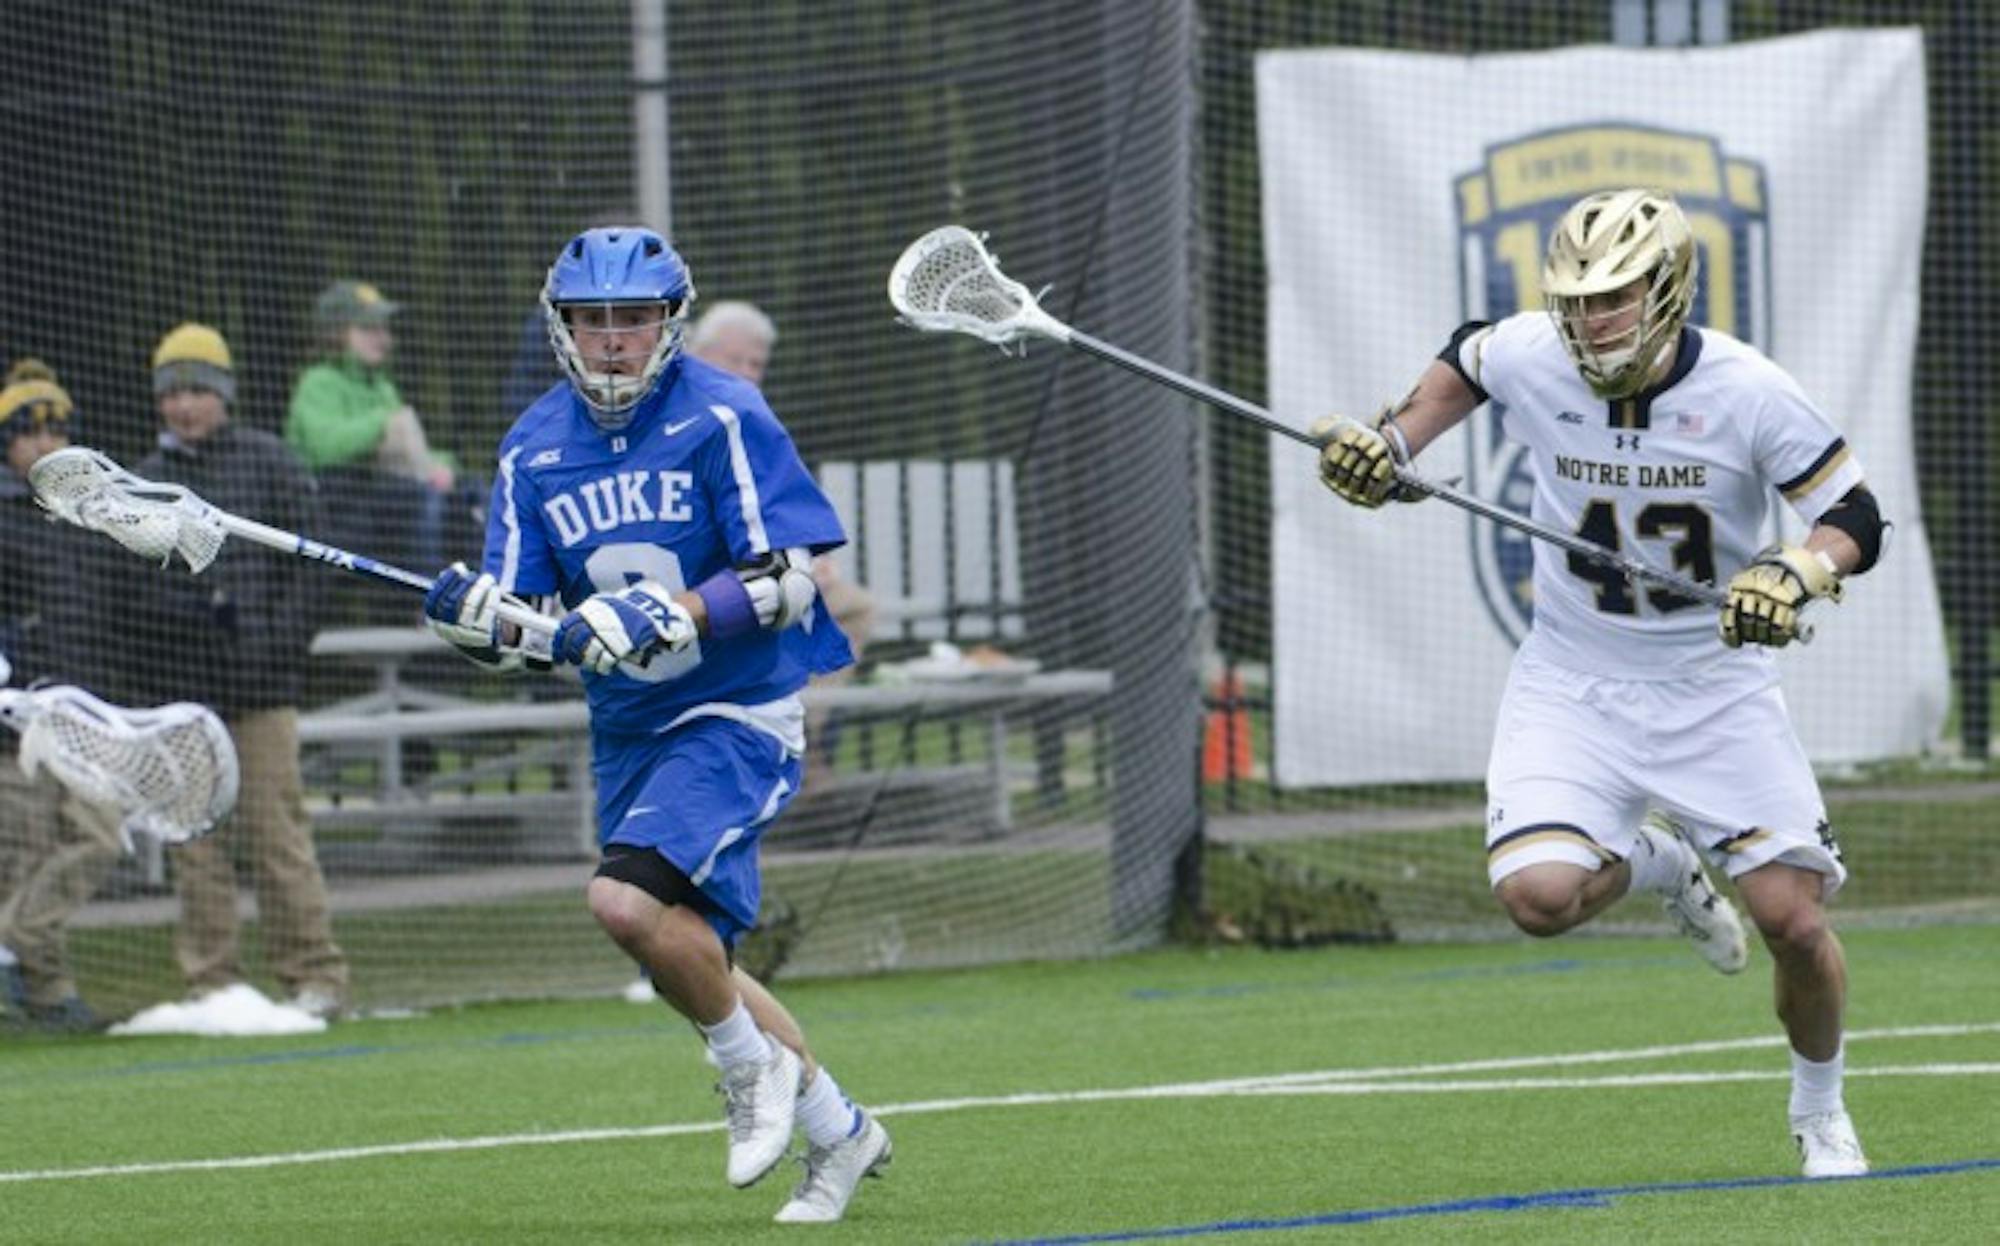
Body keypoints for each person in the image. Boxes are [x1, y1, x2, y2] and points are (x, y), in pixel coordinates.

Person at [1312, 188, 1885, 1180]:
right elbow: (1464, 357)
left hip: (1712, 688)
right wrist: (1393, 445)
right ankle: (1661, 864)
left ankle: (1818, 1110)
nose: (1590, 321)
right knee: (1534, 898)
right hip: (1571, 681)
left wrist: (1796, 568)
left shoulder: (1745, 388)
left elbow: (1854, 513)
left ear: (1666, 288)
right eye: (1575, 299)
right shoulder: (1530, 351)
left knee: (1791, 920)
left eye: (1614, 297)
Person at [422, 228, 891, 1223]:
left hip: (736, 708)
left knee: (622, 905)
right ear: (562, 330)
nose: (611, 341)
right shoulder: (531, 448)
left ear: (667, 324)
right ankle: (841, 1132)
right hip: (630, 729)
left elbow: (794, 572)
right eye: (591, 321)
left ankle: (747, 1072)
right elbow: (530, 624)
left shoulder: (724, 413)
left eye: (630, 319)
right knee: (681, 950)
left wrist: (678, 610)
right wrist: (481, 628)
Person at [129, 323, 350, 1019]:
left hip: (263, 690)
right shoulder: (141, 482)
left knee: (278, 836)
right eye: (173, 393)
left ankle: (314, 976)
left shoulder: (272, 462)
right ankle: (212, 983)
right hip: (185, 699)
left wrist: (275, 643)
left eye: (198, 390)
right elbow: (134, 588)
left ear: (224, 394)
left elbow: (310, 569)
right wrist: (188, 627)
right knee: (196, 847)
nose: (185, 405)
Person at [684, 300, 876, 789]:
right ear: (696, 352)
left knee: (850, 607)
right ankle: (783, 745)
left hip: (762, 583)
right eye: (736, 360)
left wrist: (812, 558)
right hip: (693, 593)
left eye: (756, 365)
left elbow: (787, 514)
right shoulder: (679, 420)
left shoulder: (756, 423)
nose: (748, 374)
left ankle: (796, 732)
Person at [0, 361, 123, 1032]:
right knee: (23, 853)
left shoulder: (94, 512)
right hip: (15, 719)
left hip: (88, 709)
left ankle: (11, 942)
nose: (47, 443)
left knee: (99, 836)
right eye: (30, 431)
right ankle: (47, 996)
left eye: (58, 429)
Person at [284, 280, 460, 583]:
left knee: (467, 496)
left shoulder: (381, 386)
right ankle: (426, 598)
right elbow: (325, 447)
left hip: (383, 493)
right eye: (368, 329)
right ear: (336, 333)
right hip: (335, 501)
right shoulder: (318, 382)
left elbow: (414, 453)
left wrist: (442, 466)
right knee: (422, 498)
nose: (382, 338)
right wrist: (382, 422)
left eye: (383, 328)